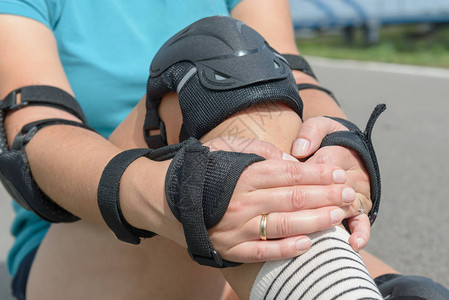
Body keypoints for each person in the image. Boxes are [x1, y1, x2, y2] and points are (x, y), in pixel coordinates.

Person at [1, 1, 447, 299]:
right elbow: (34, 133)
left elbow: (296, 78)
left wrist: (337, 142)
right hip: (103, 235)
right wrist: (176, 192)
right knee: (215, 62)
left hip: (246, 234)